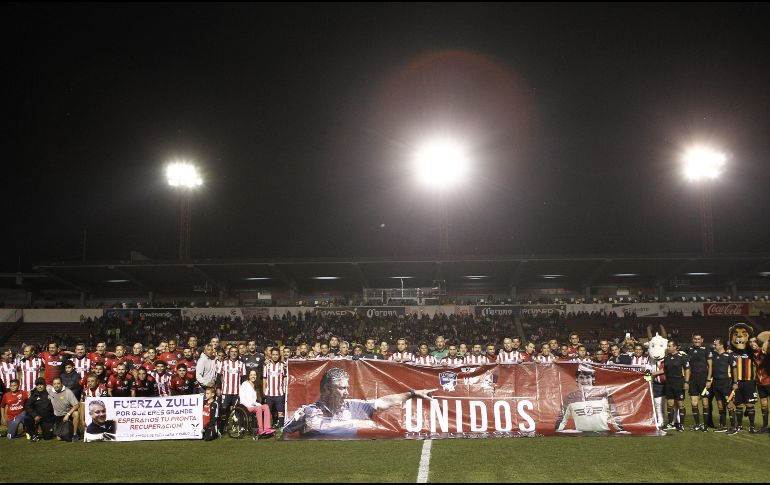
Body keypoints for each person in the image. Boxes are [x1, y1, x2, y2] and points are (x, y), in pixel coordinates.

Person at [283, 367, 435, 437]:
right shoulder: (307, 412)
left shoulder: (353, 406)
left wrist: (413, 394)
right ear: (328, 389)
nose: (347, 392)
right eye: (342, 388)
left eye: (347, 388)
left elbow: (382, 403)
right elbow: (286, 435)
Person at [555, 364, 627, 434]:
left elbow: (614, 415)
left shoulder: (604, 393)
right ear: (577, 379)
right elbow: (561, 418)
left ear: (593, 378)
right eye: (581, 377)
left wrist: (622, 430)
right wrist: (557, 431)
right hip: (581, 436)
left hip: (603, 434)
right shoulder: (570, 397)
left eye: (588, 377)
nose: (585, 381)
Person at [685, 332, 712, 431]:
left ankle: (705, 425)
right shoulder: (688, 349)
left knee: (705, 403)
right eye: (695, 339)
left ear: (702, 340)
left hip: (704, 379)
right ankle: (697, 424)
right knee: (694, 403)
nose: (697, 341)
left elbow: (710, 366)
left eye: (698, 339)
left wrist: (708, 379)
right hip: (693, 380)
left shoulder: (706, 349)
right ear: (692, 340)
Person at [663, 339, 690, 432]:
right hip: (669, 384)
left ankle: (681, 425)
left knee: (681, 404)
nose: (668, 348)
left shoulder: (682, 357)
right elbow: (665, 371)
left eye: (670, 346)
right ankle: (671, 423)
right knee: (670, 404)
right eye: (668, 346)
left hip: (679, 383)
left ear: (675, 347)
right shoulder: (666, 357)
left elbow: (687, 370)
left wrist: (686, 382)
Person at [239, 369, 274, 438]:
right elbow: (242, 398)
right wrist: (252, 405)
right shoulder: (245, 384)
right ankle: (260, 430)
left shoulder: (255, 385)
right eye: (251, 375)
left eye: (254, 375)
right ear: (248, 376)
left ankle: (267, 428)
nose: (253, 376)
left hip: (253, 406)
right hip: (245, 406)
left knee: (266, 406)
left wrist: (257, 404)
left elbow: (254, 400)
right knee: (259, 408)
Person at [47, 377, 79, 441]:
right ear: (52, 385)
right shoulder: (49, 389)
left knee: (76, 413)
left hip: (67, 415)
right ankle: (68, 430)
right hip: (58, 417)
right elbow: (41, 386)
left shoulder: (68, 392)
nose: (56, 385)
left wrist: (68, 414)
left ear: (62, 384)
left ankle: (75, 434)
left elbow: (76, 405)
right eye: (55, 384)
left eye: (58, 383)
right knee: (59, 438)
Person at [263, 348, 286, 429]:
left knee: (280, 410)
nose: (275, 356)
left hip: (279, 393)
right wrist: (264, 389)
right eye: (273, 354)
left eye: (276, 354)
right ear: (271, 355)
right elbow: (264, 378)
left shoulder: (282, 366)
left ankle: (281, 426)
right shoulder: (267, 366)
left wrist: (284, 389)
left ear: (279, 355)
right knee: (269, 410)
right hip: (269, 393)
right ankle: (269, 425)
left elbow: (284, 378)